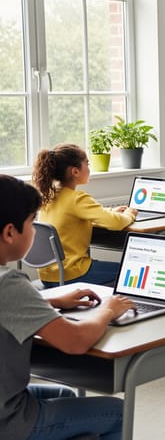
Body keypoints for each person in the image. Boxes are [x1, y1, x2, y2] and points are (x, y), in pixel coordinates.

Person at [0, 174, 135, 440]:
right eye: (32, 222)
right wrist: (107, 309)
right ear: (9, 232)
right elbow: (75, 342)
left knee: (64, 394)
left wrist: (49, 302)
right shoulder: (9, 284)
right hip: (8, 421)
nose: (35, 229)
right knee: (118, 413)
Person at [32, 144, 136, 286]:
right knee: (132, 272)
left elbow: (75, 217)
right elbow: (116, 223)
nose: (89, 168)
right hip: (71, 273)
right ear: (75, 171)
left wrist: (111, 211)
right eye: (87, 163)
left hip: (49, 275)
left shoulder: (50, 195)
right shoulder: (77, 199)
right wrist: (130, 214)